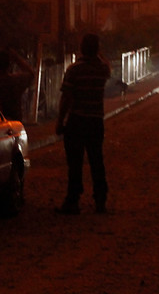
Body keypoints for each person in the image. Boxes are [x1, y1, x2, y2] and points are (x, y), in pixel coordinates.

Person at [55, 33, 111, 215]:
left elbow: (66, 98)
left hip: (77, 120)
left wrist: (60, 120)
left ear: (81, 48)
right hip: (96, 120)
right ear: (97, 49)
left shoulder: (74, 70)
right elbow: (106, 65)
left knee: (75, 162)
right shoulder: (102, 69)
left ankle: (73, 200)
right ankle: (100, 199)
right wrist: (98, 54)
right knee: (97, 160)